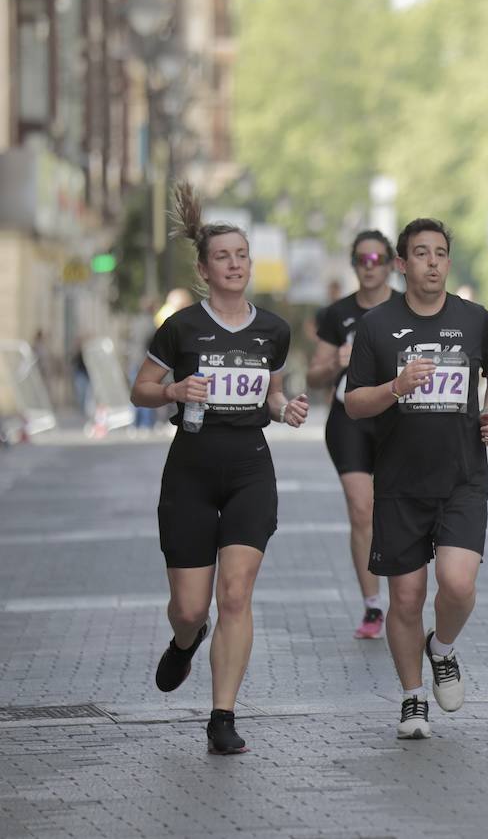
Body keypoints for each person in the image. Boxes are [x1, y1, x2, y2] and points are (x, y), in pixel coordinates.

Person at [129, 183, 309, 755]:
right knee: (190, 607)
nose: (234, 265)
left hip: (251, 469)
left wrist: (288, 408)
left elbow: (272, 397)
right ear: (205, 269)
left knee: (236, 595)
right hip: (190, 470)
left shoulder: (272, 330)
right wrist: (176, 388)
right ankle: (186, 640)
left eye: (242, 256)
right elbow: (140, 389)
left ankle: (223, 715)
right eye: (223, 257)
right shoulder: (181, 327)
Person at [345, 218, 488, 740]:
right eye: (421, 253)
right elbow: (353, 403)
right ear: (402, 264)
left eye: (440, 253)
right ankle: (412, 697)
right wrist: (395, 386)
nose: (433, 262)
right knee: (407, 599)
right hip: (400, 481)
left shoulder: (474, 320)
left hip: (463, 476)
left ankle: (442, 648)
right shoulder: (376, 326)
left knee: (458, 585)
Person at [307, 230, 404, 639]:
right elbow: (313, 375)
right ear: (353, 264)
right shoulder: (336, 314)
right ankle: (372, 606)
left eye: (377, 259)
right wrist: (337, 364)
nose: (370, 267)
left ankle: (404, 599)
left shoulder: (407, 307)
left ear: (390, 264)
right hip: (349, 418)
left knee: (396, 510)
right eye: (362, 260)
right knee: (361, 508)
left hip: (399, 419)